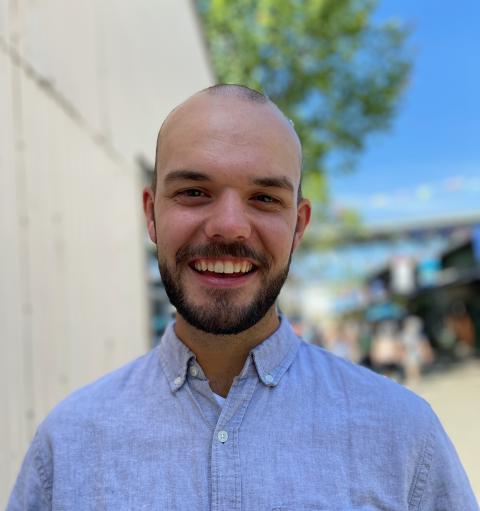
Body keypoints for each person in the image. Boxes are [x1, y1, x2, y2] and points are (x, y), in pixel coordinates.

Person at [8, 85, 478, 510]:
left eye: (264, 198)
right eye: (194, 191)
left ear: (299, 224)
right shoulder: (67, 446)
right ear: (151, 214)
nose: (229, 226)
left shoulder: (403, 436)